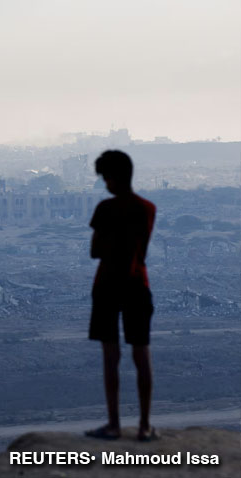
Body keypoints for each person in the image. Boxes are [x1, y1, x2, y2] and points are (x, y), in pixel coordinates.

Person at [84, 150, 157, 442]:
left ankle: (114, 424)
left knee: (110, 356)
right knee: (141, 354)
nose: (104, 183)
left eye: (105, 177)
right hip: (137, 284)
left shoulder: (105, 209)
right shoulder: (147, 208)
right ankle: (144, 425)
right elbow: (141, 249)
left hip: (106, 286)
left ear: (113, 176)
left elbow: (94, 251)